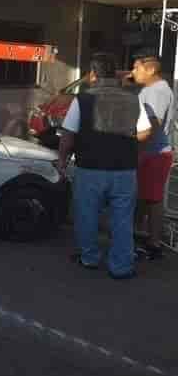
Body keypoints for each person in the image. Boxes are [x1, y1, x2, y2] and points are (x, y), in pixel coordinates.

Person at [57, 53, 152, 280]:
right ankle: (121, 266)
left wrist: (62, 161)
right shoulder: (133, 99)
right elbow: (145, 132)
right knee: (122, 219)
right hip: (124, 170)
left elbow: (68, 136)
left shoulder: (82, 99)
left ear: (93, 74)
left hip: (90, 168)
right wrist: (130, 149)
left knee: (87, 214)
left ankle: (90, 258)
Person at [130, 53, 175, 260]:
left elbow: (152, 126)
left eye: (136, 68)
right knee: (144, 197)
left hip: (154, 153)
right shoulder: (153, 89)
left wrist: (139, 151)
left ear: (150, 70)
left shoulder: (156, 92)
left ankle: (154, 243)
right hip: (151, 152)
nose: (133, 72)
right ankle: (140, 234)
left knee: (153, 199)